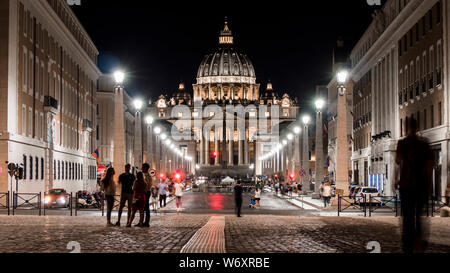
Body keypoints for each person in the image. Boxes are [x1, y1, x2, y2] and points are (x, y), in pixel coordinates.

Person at [395, 118, 433, 253]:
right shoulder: (424, 144)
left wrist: (396, 180)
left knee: (407, 216)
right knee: (420, 215)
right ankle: (419, 241)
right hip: (421, 185)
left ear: (406, 128)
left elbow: (398, 162)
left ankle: (407, 243)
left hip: (406, 185)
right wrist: (429, 184)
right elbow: (429, 166)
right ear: (417, 128)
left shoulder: (402, 143)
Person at [141, 163, 152, 227]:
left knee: (145, 207)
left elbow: (147, 185)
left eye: (142, 167)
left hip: (145, 192)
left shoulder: (146, 176)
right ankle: (142, 221)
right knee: (143, 207)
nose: (141, 168)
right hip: (146, 192)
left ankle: (146, 222)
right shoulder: (146, 175)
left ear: (145, 168)